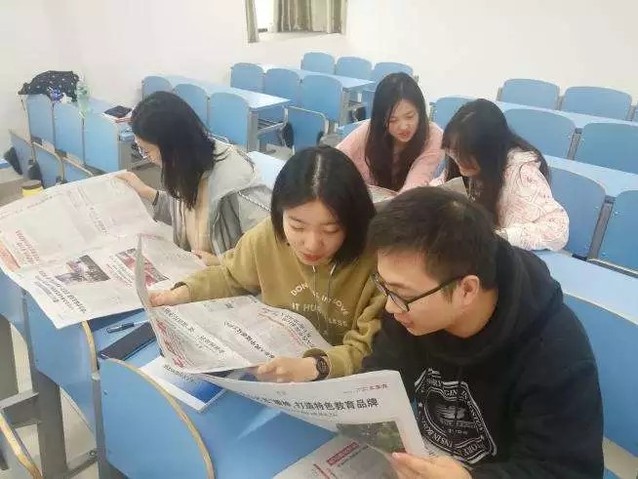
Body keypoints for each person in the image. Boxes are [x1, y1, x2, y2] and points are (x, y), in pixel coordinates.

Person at [362, 187, 603, 478]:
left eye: (400, 293)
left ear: (466, 289)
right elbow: (382, 376)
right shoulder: (408, 310)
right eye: (384, 285)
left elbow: (565, 470)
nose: (390, 307)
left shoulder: (555, 351)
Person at [150, 146, 385, 382]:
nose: (312, 244)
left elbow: (369, 347)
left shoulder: (377, 260)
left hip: (342, 380)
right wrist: (183, 293)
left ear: (353, 222)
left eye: (330, 229)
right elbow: (231, 276)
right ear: (279, 213)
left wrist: (316, 367)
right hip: (278, 367)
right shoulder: (267, 237)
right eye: (297, 227)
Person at [117, 91, 271, 265]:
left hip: (227, 276)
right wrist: (146, 192)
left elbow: (270, 247)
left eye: (146, 151)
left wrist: (220, 262)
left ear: (171, 147)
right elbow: (186, 214)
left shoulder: (236, 181)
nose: (147, 158)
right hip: (194, 269)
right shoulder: (184, 166)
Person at [431, 98, 568, 251]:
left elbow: (557, 229)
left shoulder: (520, 173)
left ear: (488, 151)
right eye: (453, 152)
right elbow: (440, 186)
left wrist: (501, 237)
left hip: (507, 253)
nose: (457, 159)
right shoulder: (464, 161)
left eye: (464, 154)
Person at [337, 72, 443, 192]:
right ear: (381, 119)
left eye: (409, 116)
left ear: (421, 111)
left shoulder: (433, 136)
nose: (403, 127)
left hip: (409, 199)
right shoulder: (371, 129)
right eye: (392, 120)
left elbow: (416, 183)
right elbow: (337, 157)